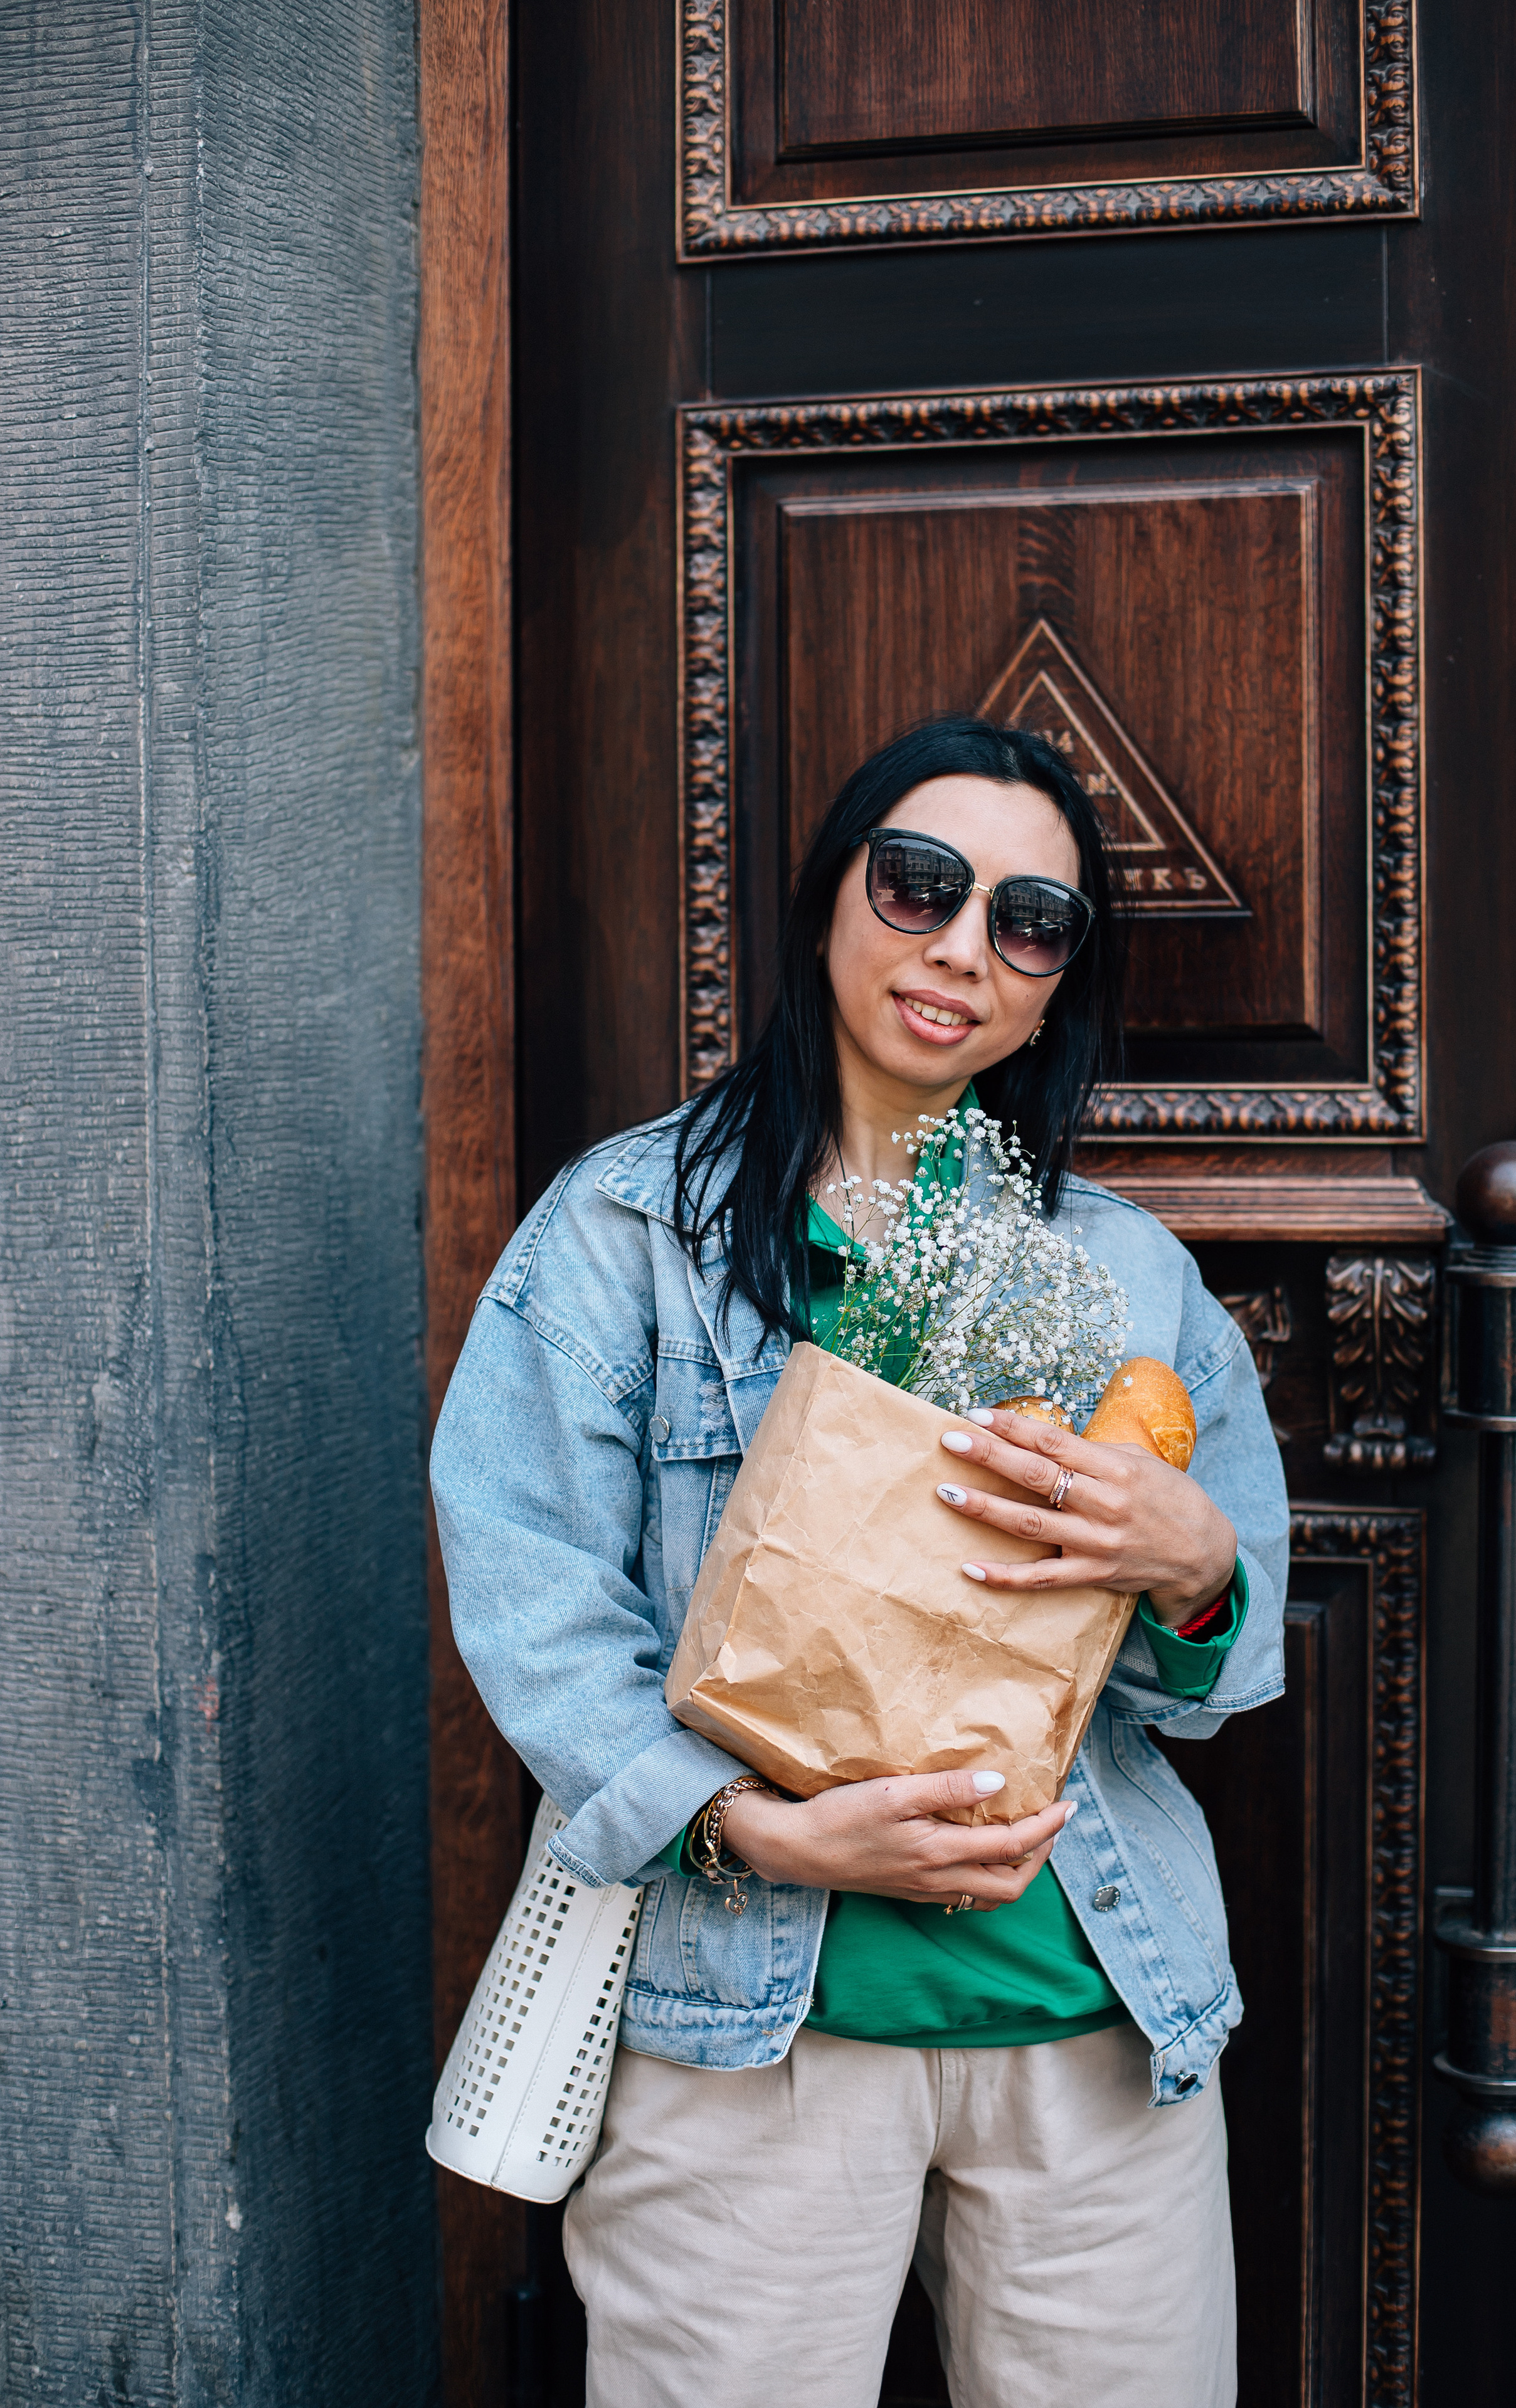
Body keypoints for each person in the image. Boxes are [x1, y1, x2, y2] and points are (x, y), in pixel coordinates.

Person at [431, 716, 1288, 2408]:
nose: (962, 946)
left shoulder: (1128, 1281)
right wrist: (755, 1825)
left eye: (1029, 922)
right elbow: (532, 1601)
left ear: (1056, 984)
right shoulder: (626, 1236)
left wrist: (1197, 1566)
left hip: (1093, 2031)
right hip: (752, 2032)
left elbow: (1218, 1666)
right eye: (920, 886)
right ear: (831, 903)